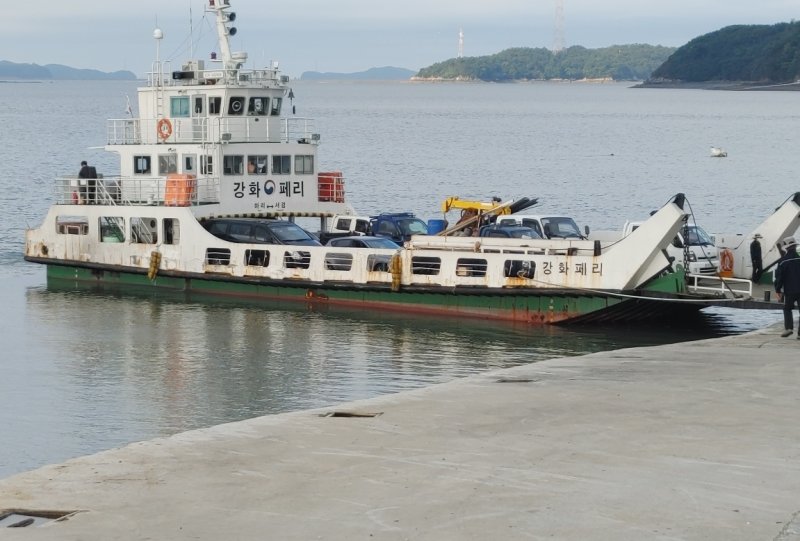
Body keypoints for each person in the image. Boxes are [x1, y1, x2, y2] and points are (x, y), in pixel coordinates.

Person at [774, 236, 800, 337]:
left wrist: (778, 289)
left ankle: (789, 328)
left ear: (786, 247)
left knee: (787, 308)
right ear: (794, 246)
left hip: (790, 290)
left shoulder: (783, 261)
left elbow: (779, 277)